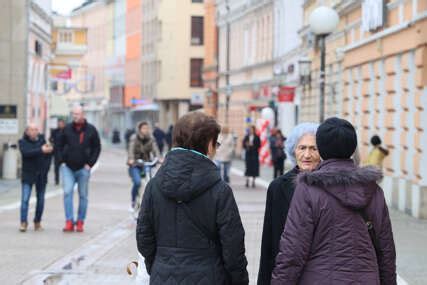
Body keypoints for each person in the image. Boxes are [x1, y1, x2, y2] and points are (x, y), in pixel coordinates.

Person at [272, 117, 396, 285]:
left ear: (321, 150)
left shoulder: (308, 189)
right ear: (352, 148)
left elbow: (293, 251)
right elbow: (386, 249)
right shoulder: (373, 190)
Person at [136, 112, 249, 285]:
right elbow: (233, 247)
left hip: (163, 275)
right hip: (211, 276)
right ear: (208, 145)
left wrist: (159, 265)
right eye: (216, 143)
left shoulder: (154, 186)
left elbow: (144, 236)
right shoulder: (220, 190)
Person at [257, 123, 320, 285]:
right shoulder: (278, 187)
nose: (307, 154)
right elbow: (269, 241)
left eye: (314, 148)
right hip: (287, 274)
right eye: (302, 148)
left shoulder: (329, 186)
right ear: (293, 150)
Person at [57, 105, 101, 233]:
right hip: (68, 167)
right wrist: (61, 162)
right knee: (67, 192)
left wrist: (90, 164)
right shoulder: (66, 129)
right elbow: (58, 145)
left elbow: (97, 148)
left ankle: (80, 221)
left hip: (83, 168)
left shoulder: (91, 130)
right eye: (74, 114)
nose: (75, 116)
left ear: (83, 115)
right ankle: (69, 221)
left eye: (77, 114)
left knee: (83, 196)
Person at [18, 123, 53, 232]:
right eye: (31, 130)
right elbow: (26, 153)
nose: (33, 132)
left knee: (41, 200)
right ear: (27, 132)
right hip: (28, 175)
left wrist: (46, 169)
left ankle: (37, 222)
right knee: (25, 199)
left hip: (41, 175)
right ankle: (23, 222)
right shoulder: (22, 142)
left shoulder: (42, 141)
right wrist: (41, 150)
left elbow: (48, 156)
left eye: (36, 130)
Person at [127, 121, 161, 210]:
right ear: (139, 129)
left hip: (146, 163)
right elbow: (131, 149)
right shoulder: (134, 138)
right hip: (135, 164)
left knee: (151, 182)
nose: (146, 130)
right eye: (144, 128)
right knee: (137, 182)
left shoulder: (151, 138)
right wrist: (131, 159)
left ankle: (150, 203)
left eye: (147, 128)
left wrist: (159, 158)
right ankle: (133, 201)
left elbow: (155, 148)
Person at [50, 119, 66, 185]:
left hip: (64, 152)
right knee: (56, 168)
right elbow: (50, 139)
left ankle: (66, 180)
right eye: (59, 123)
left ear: (64, 124)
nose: (60, 125)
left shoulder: (67, 130)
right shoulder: (54, 131)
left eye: (61, 123)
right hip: (56, 151)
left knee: (65, 168)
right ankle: (57, 180)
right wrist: (52, 141)